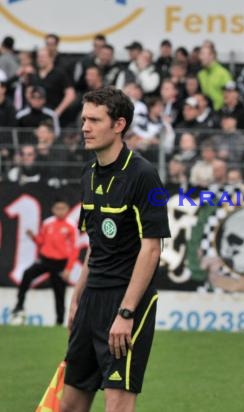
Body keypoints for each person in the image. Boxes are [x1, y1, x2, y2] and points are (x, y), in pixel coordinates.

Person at [60, 87, 170, 412]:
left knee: (117, 407)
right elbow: (95, 246)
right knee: (70, 405)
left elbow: (151, 249)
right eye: (84, 119)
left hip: (125, 304)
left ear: (119, 124)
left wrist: (126, 313)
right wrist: (78, 297)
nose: (85, 127)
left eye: (94, 120)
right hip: (91, 300)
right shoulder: (88, 174)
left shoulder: (145, 176)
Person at [11, 197, 78, 326]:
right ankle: (19, 305)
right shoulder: (48, 223)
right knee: (27, 274)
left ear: (68, 210)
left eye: (63, 208)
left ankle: (59, 322)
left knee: (59, 293)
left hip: (60, 264)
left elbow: (75, 249)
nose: (60, 211)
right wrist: (33, 237)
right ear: (53, 209)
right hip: (45, 260)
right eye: (57, 208)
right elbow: (41, 242)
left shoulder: (71, 225)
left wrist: (68, 269)